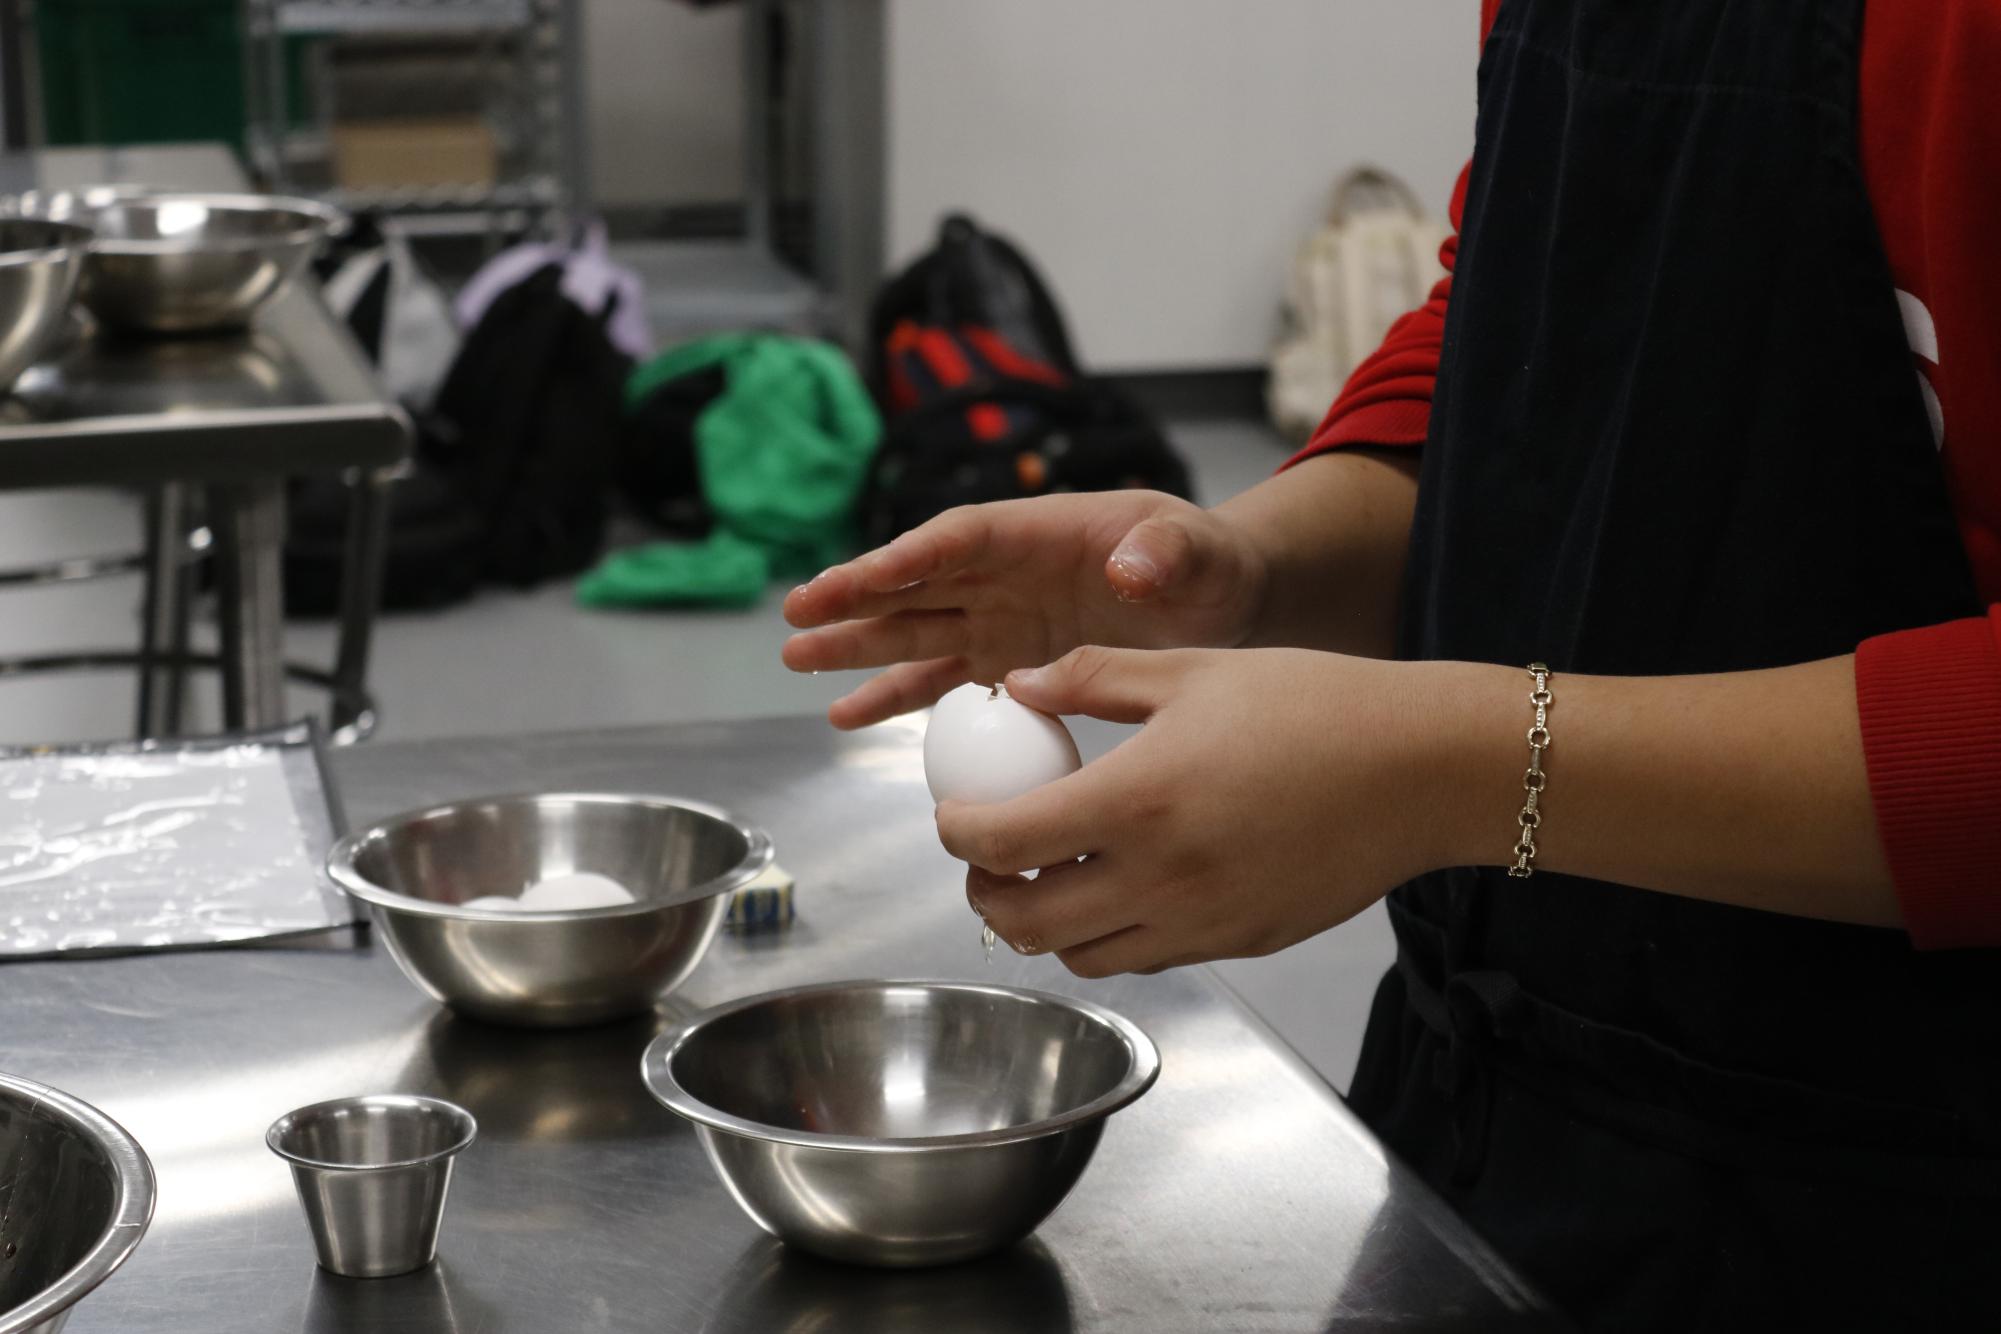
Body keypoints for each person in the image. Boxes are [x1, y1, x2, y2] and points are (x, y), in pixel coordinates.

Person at [782, 2, 2001, 1329]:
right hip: (1487, 1115)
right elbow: (1522, 342)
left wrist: (1453, 772)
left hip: (1894, 1200)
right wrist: (1250, 566)